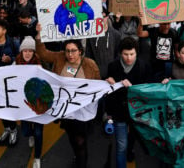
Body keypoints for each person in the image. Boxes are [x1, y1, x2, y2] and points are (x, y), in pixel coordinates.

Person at [35, 24, 100, 168]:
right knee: (72, 137)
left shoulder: (90, 65)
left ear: (80, 52)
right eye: (67, 51)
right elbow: (42, 53)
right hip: (66, 111)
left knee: (80, 140)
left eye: (73, 51)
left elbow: (97, 85)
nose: (70, 54)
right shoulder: (59, 58)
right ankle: (77, 156)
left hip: (83, 111)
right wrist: (39, 35)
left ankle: (81, 163)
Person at [105, 37, 152, 168]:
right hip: (119, 112)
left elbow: (147, 90)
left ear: (136, 53)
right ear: (120, 53)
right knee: (121, 146)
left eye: (132, 54)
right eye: (125, 54)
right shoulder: (113, 66)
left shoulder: (144, 66)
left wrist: (130, 88)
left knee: (133, 136)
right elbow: (109, 93)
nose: (129, 58)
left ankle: (130, 150)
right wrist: (109, 113)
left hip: (138, 111)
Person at [15, 37, 43, 168]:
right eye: (24, 50)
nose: (27, 53)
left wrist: (41, 71)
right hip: (24, 104)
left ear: (34, 52)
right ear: (21, 52)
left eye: (30, 51)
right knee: (25, 131)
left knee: (38, 132)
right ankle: (30, 135)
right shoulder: (16, 64)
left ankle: (37, 158)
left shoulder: (40, 63)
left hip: (38, 104)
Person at [137, 16, 178, 82]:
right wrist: (141, 22)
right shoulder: (153, 31)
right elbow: (140, 34)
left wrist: (177, 63)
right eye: (164, 24)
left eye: (169, 24)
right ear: (159, 23)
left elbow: (176, 49)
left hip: (168, 65)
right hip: (155, 65)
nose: (167, 26)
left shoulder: (174, 33)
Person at [86, 8, 121, 79]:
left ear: (107, 17)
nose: (101, 20)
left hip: (112, 74)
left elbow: (118, 55)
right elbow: (88, 55)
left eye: (103, 17)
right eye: (99, 17)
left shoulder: (116, 34)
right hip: (95, 73)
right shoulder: (91, 36)